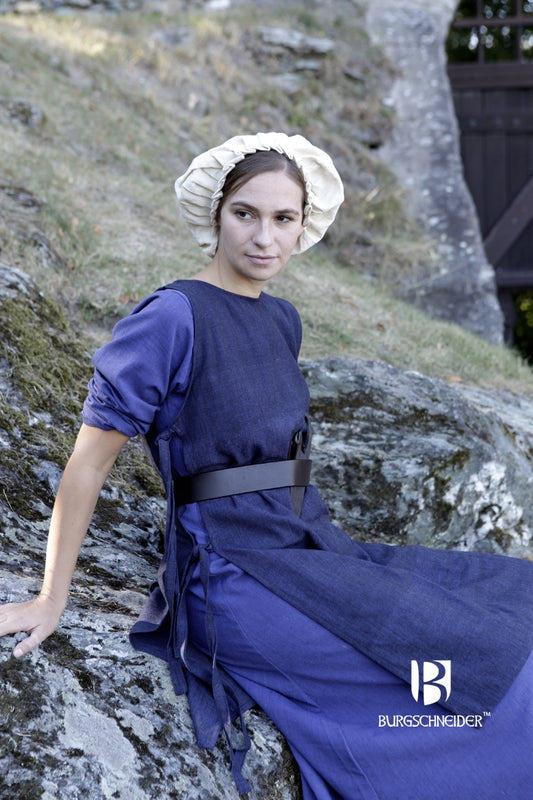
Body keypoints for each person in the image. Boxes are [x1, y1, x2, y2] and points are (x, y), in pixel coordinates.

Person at [0, 131, 532, 800]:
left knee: (506, 606)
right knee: (473, 671)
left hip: (305, 549)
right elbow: (87, 465)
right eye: (245, 214)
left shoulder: (282, 320)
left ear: (303, 225)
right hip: (229, 577)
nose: (263, 238)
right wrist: (51, 599)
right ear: (215, 214)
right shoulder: (171, 318)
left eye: (283, 218)